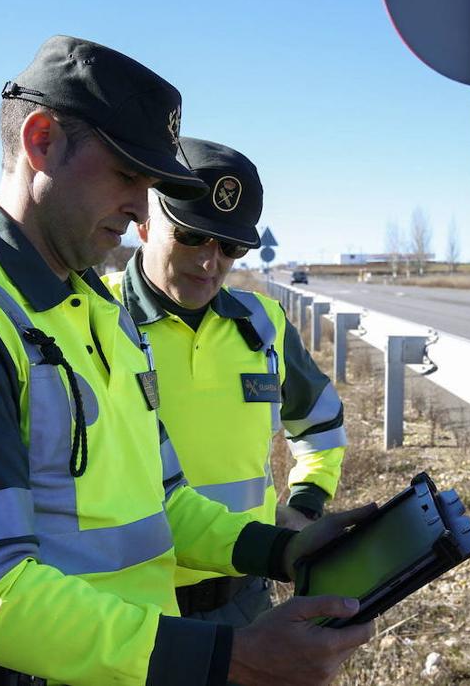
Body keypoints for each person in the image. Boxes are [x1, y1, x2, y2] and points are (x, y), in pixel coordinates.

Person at [0, 35, 373, 686]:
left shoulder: (100, 312)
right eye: (128, 174)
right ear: (41, 141)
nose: (141, 205)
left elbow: (163, 503)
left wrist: (283, 549)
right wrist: (228, 659)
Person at [104, 138, 346, 626]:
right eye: (191, 236)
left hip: (244, 595)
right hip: (129, 603)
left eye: (231, 246)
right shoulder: (94, 318)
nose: (210, 261)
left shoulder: (264, 326)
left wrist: (305, 505)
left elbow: (321, 428)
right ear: (145, 224)